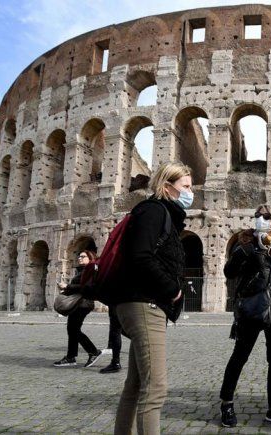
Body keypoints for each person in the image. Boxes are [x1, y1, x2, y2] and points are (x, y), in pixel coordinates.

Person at [113, 162, 191, 435]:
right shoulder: (154, 211)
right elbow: (141, 256)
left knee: (135, 385)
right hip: (146, 304)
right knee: (156, 388)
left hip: (142, 302)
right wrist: (172, 289)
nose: (190, 192)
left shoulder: (160, 213)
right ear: (167, 186)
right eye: (185, 186)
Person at [219, 203, 271, 428]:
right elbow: (228, 272)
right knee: (240, 355)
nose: (260, 219)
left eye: (266, 216)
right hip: (253, 304)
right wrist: (243, 253)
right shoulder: (246, 245)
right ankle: (226, 403)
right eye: (257, 215)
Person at [53, 250, 104, 368]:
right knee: (72, 329)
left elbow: (87, 287)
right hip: (79, 303)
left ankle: (93, 352)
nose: (79, 258)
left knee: (74, 330)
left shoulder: (91, 269)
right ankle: (71, 357)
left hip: (83, 303)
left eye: (83, 256)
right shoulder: (82, 270)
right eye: (79, 256)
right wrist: (66, 288)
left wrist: (68, 286)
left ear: (90, 258)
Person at [99, 308, 123, 373]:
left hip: (117, 307)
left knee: (115, 332)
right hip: (126, 308)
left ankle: (115, 363)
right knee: (120, 330)